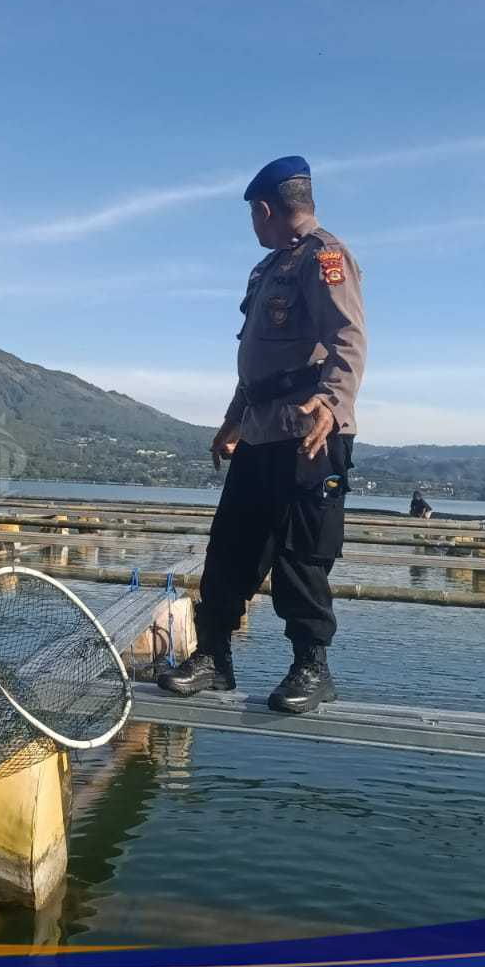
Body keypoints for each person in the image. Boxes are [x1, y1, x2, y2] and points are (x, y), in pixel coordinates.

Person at [159, 155, 367, 712]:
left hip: (310, 432)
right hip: (260, 430)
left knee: (302, 553)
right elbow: (257, 368)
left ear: (265, 209)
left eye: (252, 214)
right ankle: (214, 658)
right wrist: (231, 423)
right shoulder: (269, 270)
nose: (252, 224)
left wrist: (331, 402)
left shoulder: (326, 257)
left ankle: (310, 666)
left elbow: (348, 338)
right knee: (230, 547)